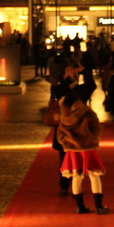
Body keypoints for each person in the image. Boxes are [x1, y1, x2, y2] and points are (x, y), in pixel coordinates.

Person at [57, 90, 108, 214]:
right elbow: (96, 127)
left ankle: (80, 206)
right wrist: (93, 139)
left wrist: (68, 142)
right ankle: (98, 206)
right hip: (88, 148)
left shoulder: (64, 117)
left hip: (73, 150)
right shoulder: (87, 113)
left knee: (76, 177)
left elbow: (60, 135)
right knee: (94, 176)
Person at [50, 64, 79, 195]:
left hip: (76, 126)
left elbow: (90, 88)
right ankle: (64, 186)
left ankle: (76, 186)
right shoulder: (59, 86)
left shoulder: (79, 86)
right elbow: (57, 93)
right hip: (62, 127)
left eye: (72, 70)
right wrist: (67, 80)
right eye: (68, 70)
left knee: (77, 157)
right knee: (63, 158)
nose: (71, 72)